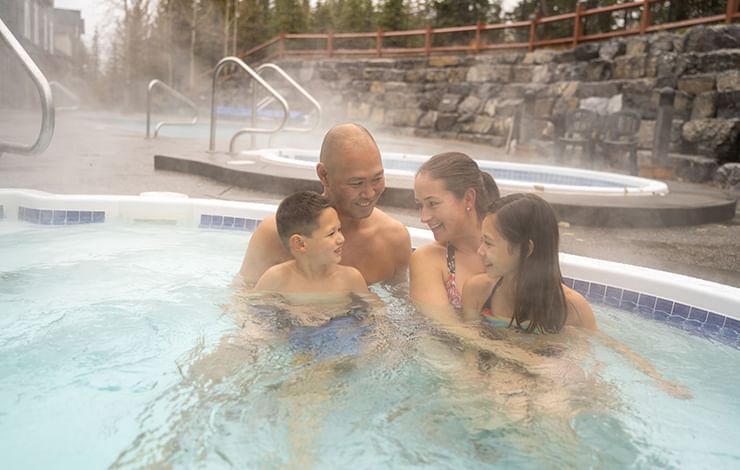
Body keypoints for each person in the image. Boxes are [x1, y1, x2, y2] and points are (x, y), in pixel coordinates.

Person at [239, 123, 411, 286]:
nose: (370, 193)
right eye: (356, 183)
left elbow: (402, 305)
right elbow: (243, 300)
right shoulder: (275, 234)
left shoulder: (393, 239)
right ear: (324, 175)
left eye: (377, 179)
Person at [463, 193, 597, 332]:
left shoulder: (573, 309)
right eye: (482, 240)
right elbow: (469, 352)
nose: (480, 251)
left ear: (526, 249)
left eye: (489, 243)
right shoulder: (477, 292)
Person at [410, 152, 500, 321]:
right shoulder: (429, 259)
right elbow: (448, 329)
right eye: (420, 206)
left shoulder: (514, 247)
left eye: (433, 204)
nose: (424, 217)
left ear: (468, 199)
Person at [255, 191, 368, 295]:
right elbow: (252, 313)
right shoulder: (276, 278)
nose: (341, 239)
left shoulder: (350, 279)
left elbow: (372, 313)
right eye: (331, 233)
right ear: (300, 244)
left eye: (339, 229)